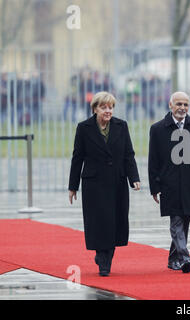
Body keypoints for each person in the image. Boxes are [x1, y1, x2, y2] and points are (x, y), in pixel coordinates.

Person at [68, 91, 141, 277]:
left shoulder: (121, 126)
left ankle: (105, 256)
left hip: (117, 180)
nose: (108, 111)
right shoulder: (84, 128)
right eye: (104, 107)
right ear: (95, 109)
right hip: (94, 183)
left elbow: (128, 154)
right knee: (99, 222)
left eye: (110, 107)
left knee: (115, 221)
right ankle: (103, 260)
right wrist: (73, 186)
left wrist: (134, 178)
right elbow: (77, 158)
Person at [148, 91, 190, 273]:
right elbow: (154, 160)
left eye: (185, 105)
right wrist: (155, 186)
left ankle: (172, 259)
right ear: (170, 105)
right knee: (176, 221)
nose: (182, 108)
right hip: (169, 184)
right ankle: (184, 258)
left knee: (184, 222)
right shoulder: (158, 129)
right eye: (179, 104)